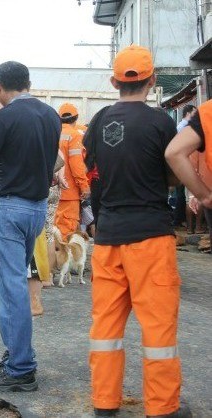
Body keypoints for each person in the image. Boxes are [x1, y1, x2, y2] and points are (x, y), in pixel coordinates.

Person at [83, 45, 190, 418]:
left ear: (115, 82)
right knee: (158, 327)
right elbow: (174, 175)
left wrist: (98, 220)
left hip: (108, 238)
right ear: (153, 80)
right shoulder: (162, 123)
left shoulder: (96, 123)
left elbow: (93, 178)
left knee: (106, 327)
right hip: (151, 238)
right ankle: (162, 409)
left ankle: (104, 403)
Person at [0, 61, 60, 392]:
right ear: (28, 83)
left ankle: (21, 367)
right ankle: (16, 355)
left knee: (11, 291)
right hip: (36, 210)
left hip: (9, 209)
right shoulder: (50, 116)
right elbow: (56, 162)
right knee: (16, 285)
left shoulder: (2, 118)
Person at [166, 99, 212, 254]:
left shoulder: (207, 112)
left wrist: (202, 195)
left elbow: (175, 152)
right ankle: (195, 228)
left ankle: (194, 228)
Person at [54, 103, 90, 240]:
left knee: (53, 230)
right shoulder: (74, 135)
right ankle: (60, 260)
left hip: (52, 190)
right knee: (66, 232)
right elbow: (77, 165)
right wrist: (84, 187)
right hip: (69, 192)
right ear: (76, 118)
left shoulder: (54, 132)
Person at [172, 105, 197, 227]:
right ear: (188, 113)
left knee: (181, 194)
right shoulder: (184, 127)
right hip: (184, 164)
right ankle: (180, 220)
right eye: (194, 112)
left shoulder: (181, 126)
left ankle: (180, 220)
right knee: (184, 195)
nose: (196, 115)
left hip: (181, 163)